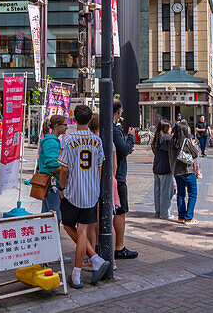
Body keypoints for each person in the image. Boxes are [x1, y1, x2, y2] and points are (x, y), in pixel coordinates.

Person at [57, 104, 111, 288]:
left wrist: (61, 187)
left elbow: (64, 169)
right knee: (82, 231)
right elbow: (99, 168)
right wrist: (95, 187)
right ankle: (94, 259)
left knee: (71, 228)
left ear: (74, 119)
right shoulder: (97, 141)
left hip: (72, 191)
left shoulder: (68, 139)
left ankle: (77, 274)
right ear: (89, 120)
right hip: (90, 192)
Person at [110, 98, 138, 260]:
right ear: (119, 111)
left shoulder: (106, 127)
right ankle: (119, 247)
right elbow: (123, 150)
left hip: (107, 175)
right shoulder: (114, 129)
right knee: (120, 211)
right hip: (117, 177)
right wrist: (131, 137)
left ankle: (106, 245)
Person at [170, 121, 200, 224]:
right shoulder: (186, 141)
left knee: (180, 194)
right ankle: (189, 218)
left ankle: (181, 216)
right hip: (188, 171)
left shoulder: (171, 142)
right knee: (192, 194)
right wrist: (193, 145)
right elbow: (195, 154)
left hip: (177, 172)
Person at [37, 115, 68, 215]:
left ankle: (45, 231)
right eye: (65, 125)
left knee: (46, 214)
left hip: (48, 182)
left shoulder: (50, 140)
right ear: (56, 126)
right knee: (55, 216)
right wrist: (65, 168)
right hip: (52, 184)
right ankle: (55, 231)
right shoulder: (52, 142)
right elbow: (52, 164)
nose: (66, 127)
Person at [151, 120, 174, 219]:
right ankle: (165, 213)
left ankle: (158, 211)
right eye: (169, 127)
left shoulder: (157, 138)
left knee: (158, 191)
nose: (171, 129)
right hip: (165, 168)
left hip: (157, 167)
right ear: (166, 128)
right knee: (166, 192)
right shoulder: (168, 138)